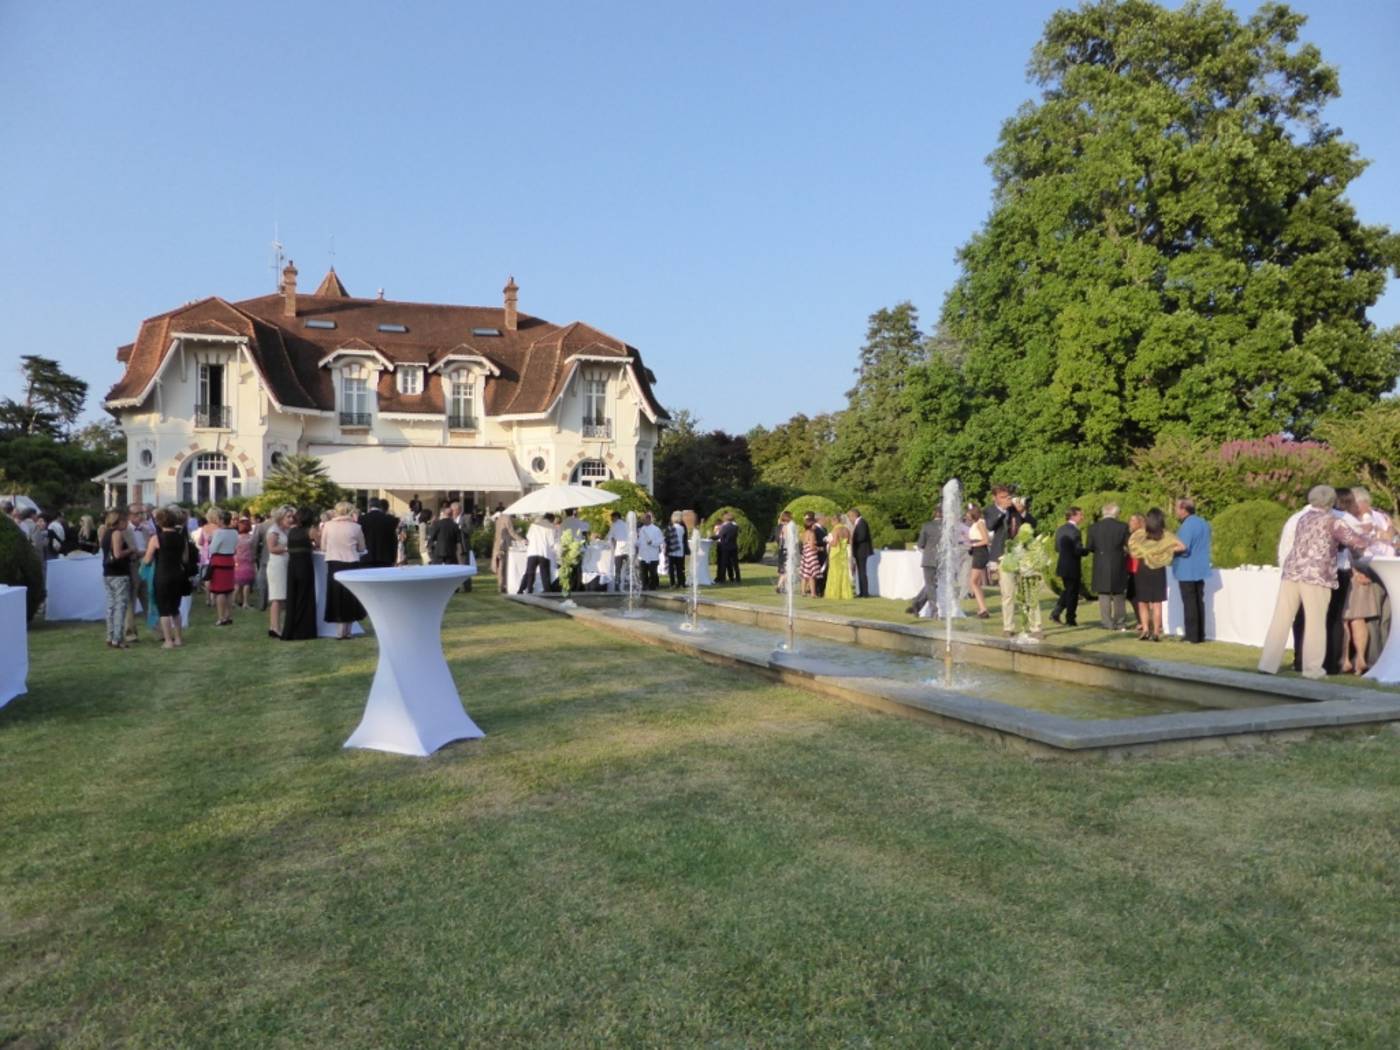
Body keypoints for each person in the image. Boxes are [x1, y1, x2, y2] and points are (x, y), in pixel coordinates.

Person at [1259, 486, 1372, 679]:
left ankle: (1268, 663)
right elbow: (1358, 542)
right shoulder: (1333, 522)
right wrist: (1370, 533)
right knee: (1315, 623)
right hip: (1316, 576)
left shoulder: (1303, 518)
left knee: (1281, 619)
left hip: (1292, 572)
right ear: (1331, 502)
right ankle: (1313, 669)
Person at [1127, 509, 1185, 642]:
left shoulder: (1140, 534)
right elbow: (1182, 546)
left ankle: (1145, 630)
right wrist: (1166, 551)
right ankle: (1156, 632)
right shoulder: (1166, 534)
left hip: (1143, 569)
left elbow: (1132, 548)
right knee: (1157, 603)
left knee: (1143, 601)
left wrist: (1146, 553)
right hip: (1158, 569)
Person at [142, 507, 189, 649]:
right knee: (175, 609)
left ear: (159, 522)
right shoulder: (182, 538)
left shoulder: (156, 539)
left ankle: (168, 640)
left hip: (162, 575)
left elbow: (147, 560)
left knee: (164, 610)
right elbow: (185, 559)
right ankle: (179, 639)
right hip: (178, 575)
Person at [1324, 489, 1359, 675]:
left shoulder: (1328, 516)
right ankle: (1333, 662)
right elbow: (1357, 541)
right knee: (1336, 618)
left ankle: (1326, 660)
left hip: (1328, 570)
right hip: (1341, 568)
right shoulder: (1346, 519)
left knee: (1327, 617)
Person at [321, 501, 367, 639]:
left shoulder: (328, 526)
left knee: (336, 595)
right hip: (351, 563)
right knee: (350, 596)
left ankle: (340, 631)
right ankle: (348, 630)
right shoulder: (356, 527)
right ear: (350, 512)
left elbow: (323, 547)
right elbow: (362, 548)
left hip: (334, 563)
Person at [1172, 498, 1212, 643]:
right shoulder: (1204, 523)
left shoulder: (1187, 525)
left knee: (1189, 603)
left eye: (1177, 508)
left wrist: (1166, 549)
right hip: (1200, 568)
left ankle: (1191, 635)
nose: (1176, 511)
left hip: (1187, 568)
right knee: (1198, 601)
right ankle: (1200, 634)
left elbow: (1183, 546)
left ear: (1184, 509)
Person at [1085, 503, 1131, 630]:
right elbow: (1129, 544)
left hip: (1100, 562)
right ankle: (1120, 621)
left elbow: (1089, 547)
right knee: (1119, 594)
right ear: (1115, 513)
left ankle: (1107, 622)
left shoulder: (1093, 527)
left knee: (1103, 594)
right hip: (1118, 562)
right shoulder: (1122, 526)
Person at [282, 507, 319, 641]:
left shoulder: (291, 531)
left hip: (292, 567)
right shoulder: (311, 531)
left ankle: (291, 630)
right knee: (305, 597)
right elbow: (320, 545)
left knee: (292, 597)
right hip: (304, 566)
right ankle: (303, 630)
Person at [99, 509, 133, 649]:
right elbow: (118, 554)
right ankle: (117, 639)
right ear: (118, 521)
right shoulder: (117, 533)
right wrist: (131, 550)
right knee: (120, 606)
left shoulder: (105, 533)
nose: (127, 523)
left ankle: (110, 635)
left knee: (111, 605)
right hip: (119, 573)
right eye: (125, 520)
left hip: (108, 573)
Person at [1049, 507, 1087, 627]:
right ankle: (1070, 618)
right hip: (1072, 564)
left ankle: (1056, 612)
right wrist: (1087, 550)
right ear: (1073, 516)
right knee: (1073, 593)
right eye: (1080, 515)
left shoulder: (1060, 529)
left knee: (1068, 590)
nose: (1082, 517)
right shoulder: (1075, 531)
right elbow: (1077, 550)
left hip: (1063, 563)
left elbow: (1056, 548)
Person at [906, 507, 944, 617]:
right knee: (932, 584)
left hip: (929, 558)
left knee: (930, 584)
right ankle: (916, 604)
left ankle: (933, 611)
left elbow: (920, 544)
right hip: (942, 559)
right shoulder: (947, 527)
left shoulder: (927, 526)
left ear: (934, 514)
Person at [204, 508, 238, 626]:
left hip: (219, 561)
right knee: (228, 590)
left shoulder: (218, 532)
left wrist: (210, 541)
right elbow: (235, 547)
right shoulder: (234, 532)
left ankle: (221, 617)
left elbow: (212, 549)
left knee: (220, 591)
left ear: (221, 520)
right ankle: (228, 615)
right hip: (229, 560)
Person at [265, 506, 293, 637]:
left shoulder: (286, 530)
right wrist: (288, 548)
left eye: (291, 516)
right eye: (288, 516)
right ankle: (275, 628)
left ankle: (275, 626)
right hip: (277, 566)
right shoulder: (274, 530)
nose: (291, 519)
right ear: (281, 517)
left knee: (281, 598)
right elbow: (272, 548)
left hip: (284, 564)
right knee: (277, 597)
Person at [518, 513, 557, 593]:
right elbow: (551, 542)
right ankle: (547, 591)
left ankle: (528, 589)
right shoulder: (551, 527)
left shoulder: (534, 525)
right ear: (551, 519)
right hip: (543, 552)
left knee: (530, 572)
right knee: (545, 574)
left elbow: (528, 536)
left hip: (532, 551)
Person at [966, 504, 991, 619]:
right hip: (977, 552)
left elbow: (986, 540)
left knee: (973, 581)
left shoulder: (980, 523)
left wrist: (973, 544)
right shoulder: (975, 524)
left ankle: (983, 609)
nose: (966, 515)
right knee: (975, 582)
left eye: (968, 513)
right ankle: (982, 608)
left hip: (980, 552)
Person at [360, 497, 399, 569]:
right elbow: (394, 539)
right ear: (380, 506)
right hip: (386, 557)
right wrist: (394, 557)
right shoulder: (391, 520)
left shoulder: (361, 519)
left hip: (367, 557)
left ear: (369, 506)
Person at [492, 511, 523, 593]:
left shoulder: (499, 518)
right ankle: (503, 585)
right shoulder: (507, 518)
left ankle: (501, 585)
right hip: (504, 545)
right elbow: (511, 532)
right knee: (504, 566)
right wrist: (522, 540)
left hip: (498, 544)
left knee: (500, 566)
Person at [561, 508, 590, 592]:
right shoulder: (578, 521)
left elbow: (560, 536)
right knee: (578, 569)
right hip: (578, 547)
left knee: (569, 569)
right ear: (573, 512)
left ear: (566, 513)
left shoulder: (564, 523)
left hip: (569, 548)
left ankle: (570, 586)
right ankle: (578, 586)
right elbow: (585, 532)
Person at [825, 518, 854, 601]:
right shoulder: (847, 530)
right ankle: (844, 593)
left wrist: (828, 541)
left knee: (834, 573)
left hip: (835, 554)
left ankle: (835, 593)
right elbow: (849, 542)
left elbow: (834, 543)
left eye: (832, 521)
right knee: (844, 573)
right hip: (843, 554)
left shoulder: (836, 530)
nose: (831, 523)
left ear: (835, 521)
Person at [847, 507, 873, 597]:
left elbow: (862, 537)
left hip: (862, 551)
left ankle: (865, 593)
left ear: (855, 515)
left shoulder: (862, 523)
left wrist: (852, 540)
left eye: (850, 517)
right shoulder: (859, 523)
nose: (849, 519)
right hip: (859, 550)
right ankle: (862, 592)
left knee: (862, 571)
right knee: (860, 572)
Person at [711, 511, 741, 584]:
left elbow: (719, 536)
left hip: (725, 547)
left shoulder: (725, 527)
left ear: (725, 519)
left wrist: (711, 537)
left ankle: (721, 579)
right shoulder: (735, 527)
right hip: (733, 546)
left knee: (723, 563)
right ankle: (738, 578)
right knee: (735, 564)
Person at [636, 512, 663, 590]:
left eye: (644, 519)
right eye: (642, 520)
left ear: (649, 519)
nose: (643, 521)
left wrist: (652, 542)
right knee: (643, 573)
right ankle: (644, 586)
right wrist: (635, 543)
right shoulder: (641, 529)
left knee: (653, 572)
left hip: (652, 555)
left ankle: (653, 587)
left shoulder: (656, 529)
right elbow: (640, 541)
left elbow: (660, 540)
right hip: (643, 555)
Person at [233, 517, 256, 608]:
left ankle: (234, 601)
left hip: (237, 562)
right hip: (248, 562)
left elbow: (233, 550)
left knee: (237, 583)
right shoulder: (251, 538)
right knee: (247, 583)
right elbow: (254, 549)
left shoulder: (236, 538)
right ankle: (245, 602)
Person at [606, 511, 630, 592]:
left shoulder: (614, 525)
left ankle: (617, 584)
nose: (611, 519)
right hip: (627, 549)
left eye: (612, 518)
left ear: (616, 517)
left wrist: (610, 544)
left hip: (618, 550)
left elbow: (610, 537)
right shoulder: (626, 524)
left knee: (618, 569)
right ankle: (628, 583)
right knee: (628, 568)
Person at [665, 511, 688, 589]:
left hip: (672, 549)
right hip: (680, 549)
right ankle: (681, 583)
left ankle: (672, 583)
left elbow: (667, 539)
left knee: (671, 568)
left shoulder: (670, 527)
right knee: (680, 568)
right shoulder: (682, 527)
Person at [773, 511, 794, 594]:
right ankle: (779, 586)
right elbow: (790, 539)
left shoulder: (779, 527)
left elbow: (777, 539)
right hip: (787, 550)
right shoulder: (787, 527)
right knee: (788, 570)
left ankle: (782, 587)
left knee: (783, 570)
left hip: (781, 550)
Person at [799, 521, 820, 597]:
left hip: (805, 553)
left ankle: (803, 592)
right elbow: (812, 546)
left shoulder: (803, 533)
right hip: (811, 554)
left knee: (805, 574)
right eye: (814, 524)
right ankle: (813, 593)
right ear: (811, 526)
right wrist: (820, 548)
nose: (815, 526)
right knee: (812, 574)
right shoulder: (812, 533)